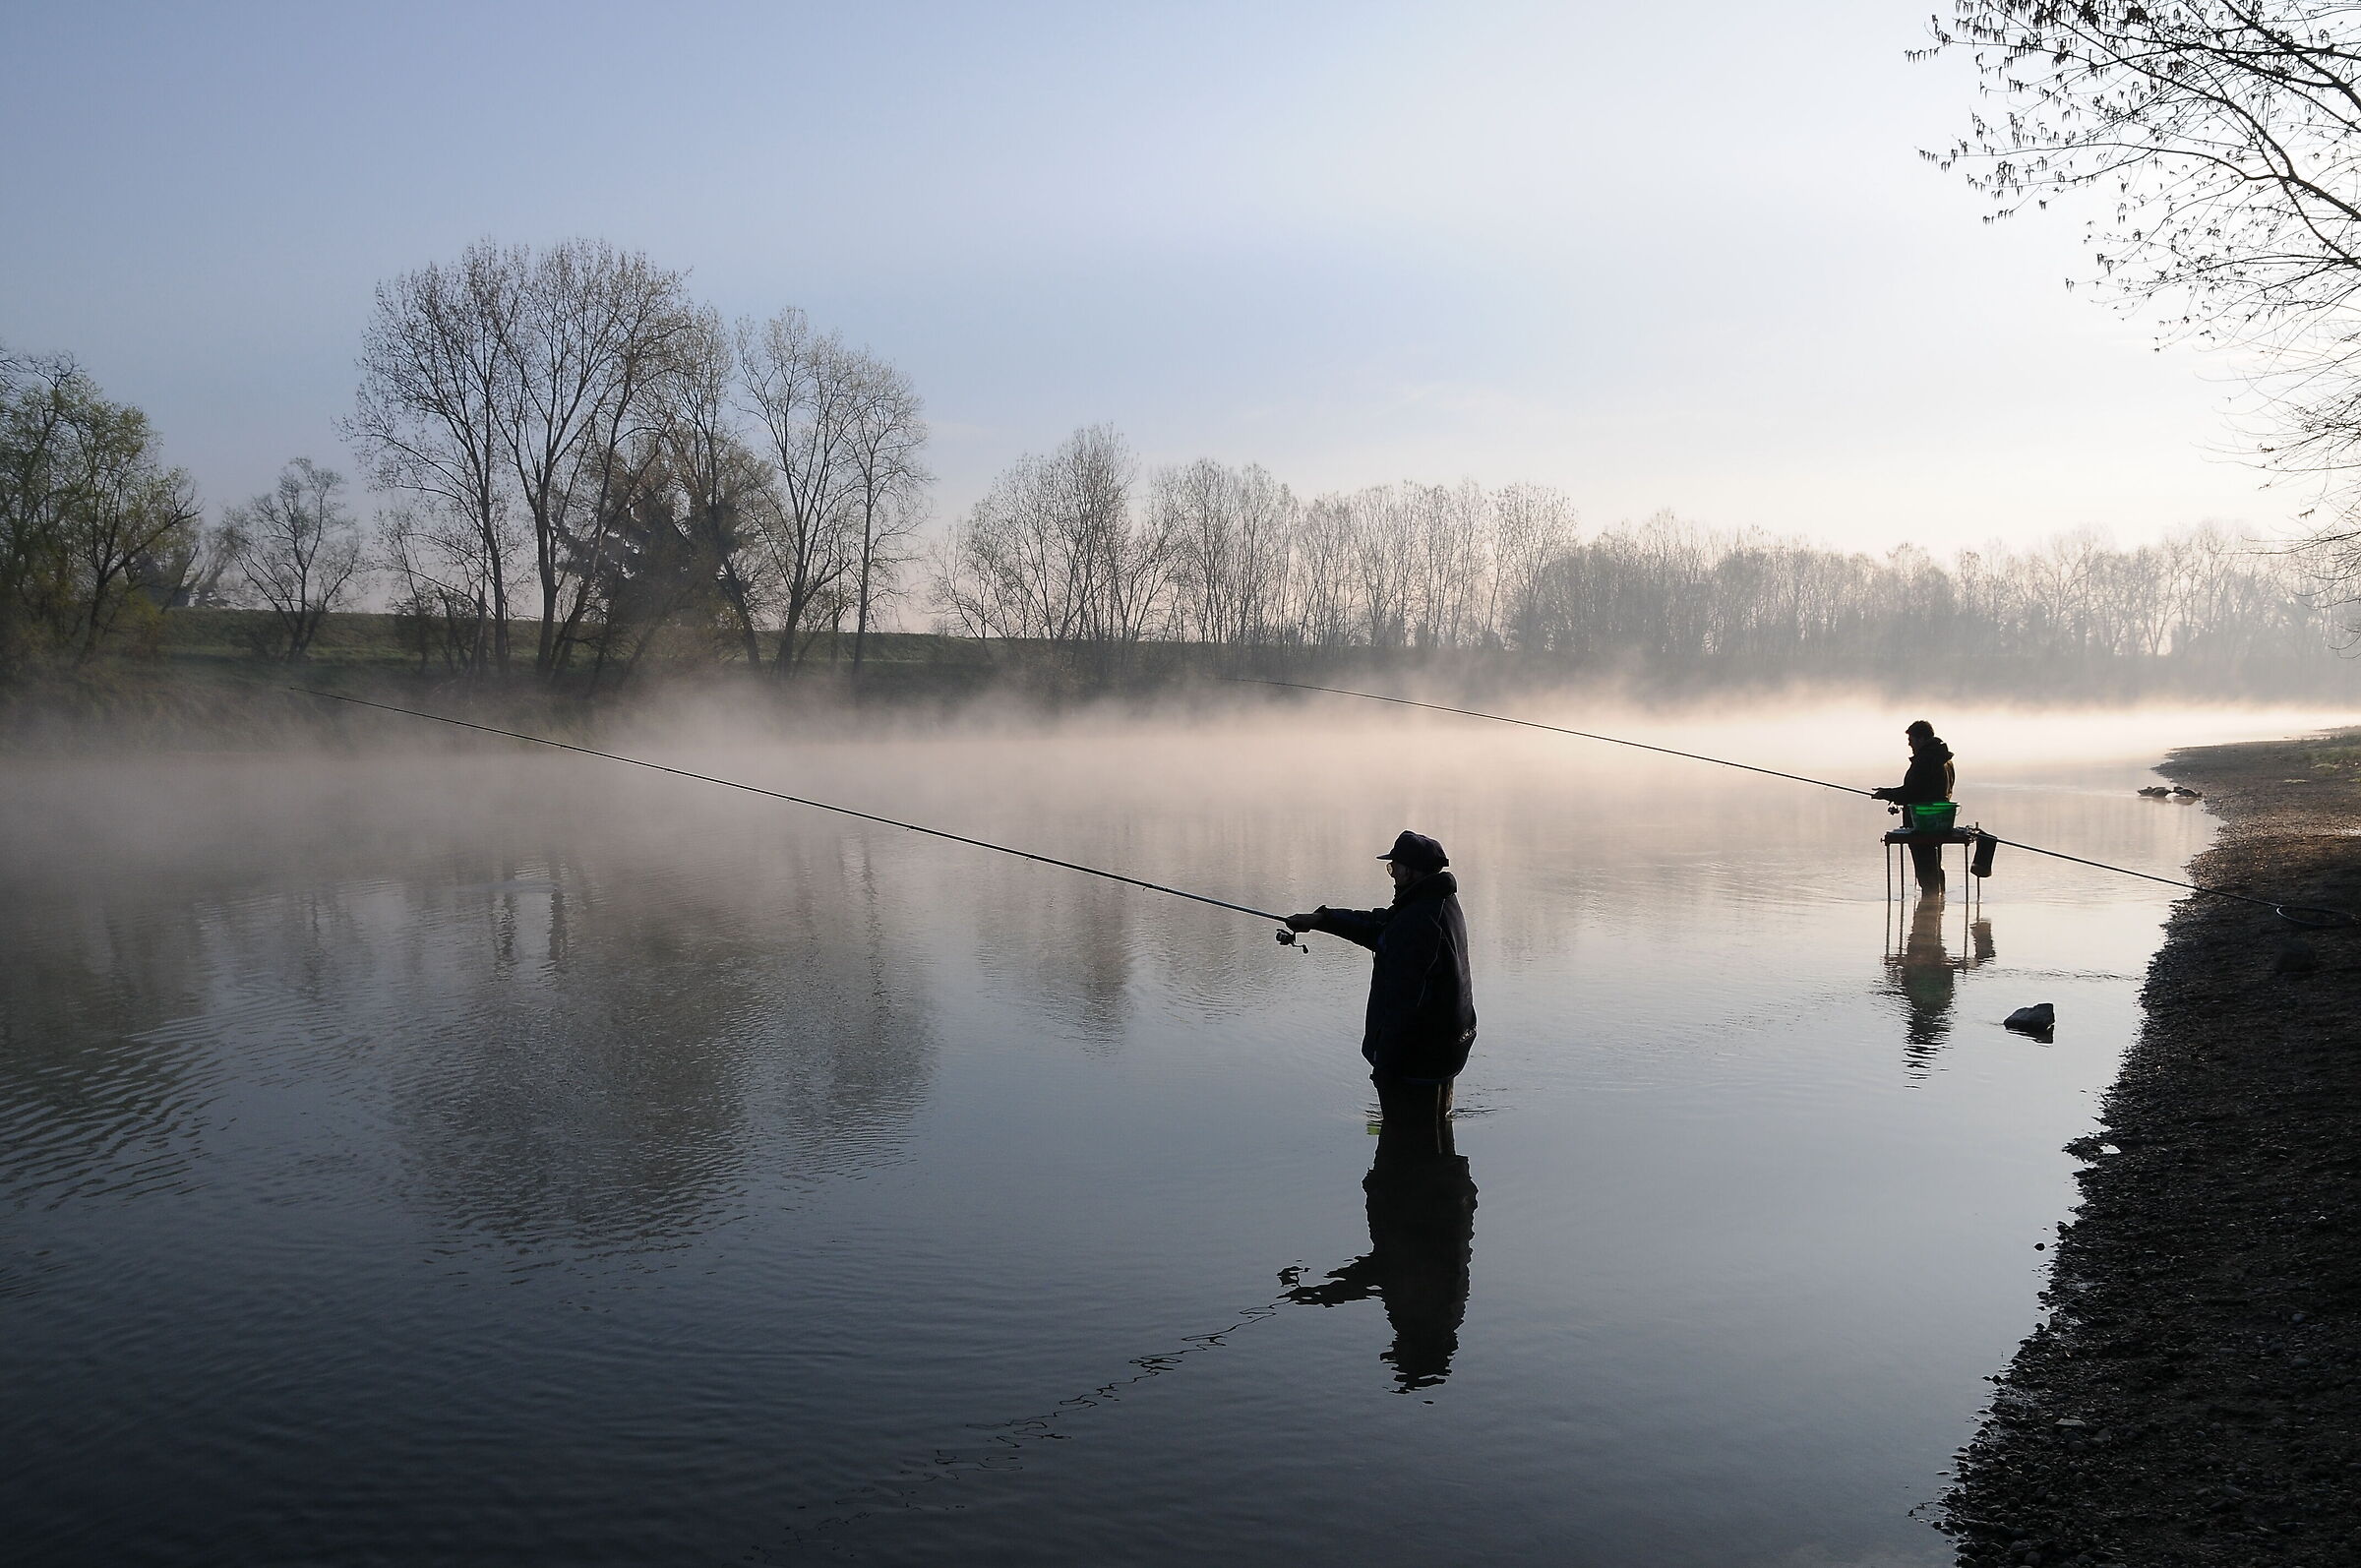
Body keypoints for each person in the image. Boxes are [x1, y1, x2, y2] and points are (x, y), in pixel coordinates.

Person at [1283, 829, 1477, 1091]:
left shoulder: (1418, 921)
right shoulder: (1437, 902)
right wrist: (1320, 920)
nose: (1392, 874)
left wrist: (1385, 1068)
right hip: (1447, 1050)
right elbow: (1381, 926)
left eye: (1393, 868)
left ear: (1409, 872)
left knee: (1408, 1118)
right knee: (1436, 1116)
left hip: (1418, 1061)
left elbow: (1403, 1002)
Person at [1872, 719, 1956, 890]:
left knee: (1925, 868)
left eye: (1911, 740)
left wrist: (1885, 794)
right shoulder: (1944, 758)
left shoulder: (1925, 760)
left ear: (1921, 739)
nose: (1909, 744)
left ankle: (1930, 900)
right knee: (1934, 864)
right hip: (1939, 821)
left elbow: (1911, 792)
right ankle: (1938, 902)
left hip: (1923, 822)